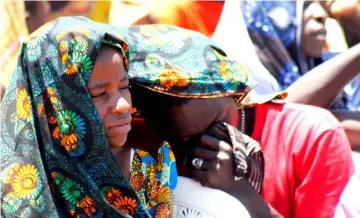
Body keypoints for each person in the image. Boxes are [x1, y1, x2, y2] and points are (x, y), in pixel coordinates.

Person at [123, 24, 355, 217]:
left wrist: (239, 190)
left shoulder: (313, 138)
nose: (204, 147)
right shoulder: (141, 137)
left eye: (217, 124)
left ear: (234, 92)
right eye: (184, 141)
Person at [0, 16, 177, 217]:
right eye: (99, 94)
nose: (123, 105)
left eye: (124, 87)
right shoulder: (16, 189)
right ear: (54, 103)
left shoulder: (152, 162)